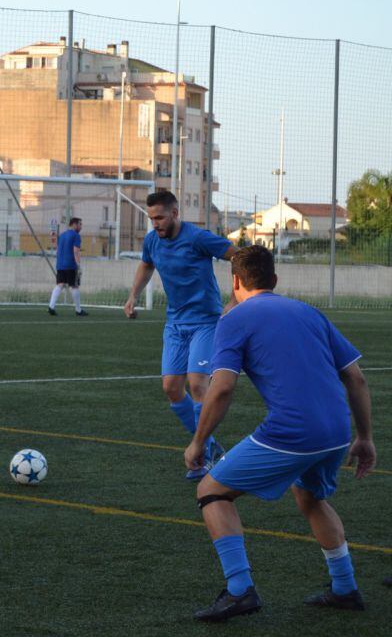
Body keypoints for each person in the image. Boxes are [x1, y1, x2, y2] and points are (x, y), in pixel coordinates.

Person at [185, 245, 375, 622]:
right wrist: (364, 437)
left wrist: (198, 441)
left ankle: (240, 591)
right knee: (310, 496)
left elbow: (221, 388)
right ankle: (345, 588)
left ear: (235, 280)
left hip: (293, 432)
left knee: (211, 491)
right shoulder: (309, 312)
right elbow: (355, 376)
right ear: (274, 280)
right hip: (337, 430)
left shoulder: (234, 319)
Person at [123, 190, 235, 479]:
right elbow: (147, 264)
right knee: (172, 388)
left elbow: (237, 254)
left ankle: (203, 454)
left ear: (175, 213)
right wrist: (133, 295)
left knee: (198, 384)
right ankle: (209, 446)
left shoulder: (198, 238)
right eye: (151, 219)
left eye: (159, 217)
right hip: (175, 324)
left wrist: (236, 298)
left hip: (206, 322)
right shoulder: (152, 241)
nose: (155, 224)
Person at [48, 217, 88, 317]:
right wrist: (78, 265)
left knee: (60, 284)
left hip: (60, 265)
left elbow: (58, 249)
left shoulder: (62, 235)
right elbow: (76, 251)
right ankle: (78, 310)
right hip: (70, 265)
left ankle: (51, 307)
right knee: (74, 286)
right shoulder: (76, 236)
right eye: (80, 224)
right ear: (74, 224)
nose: (81, 226)